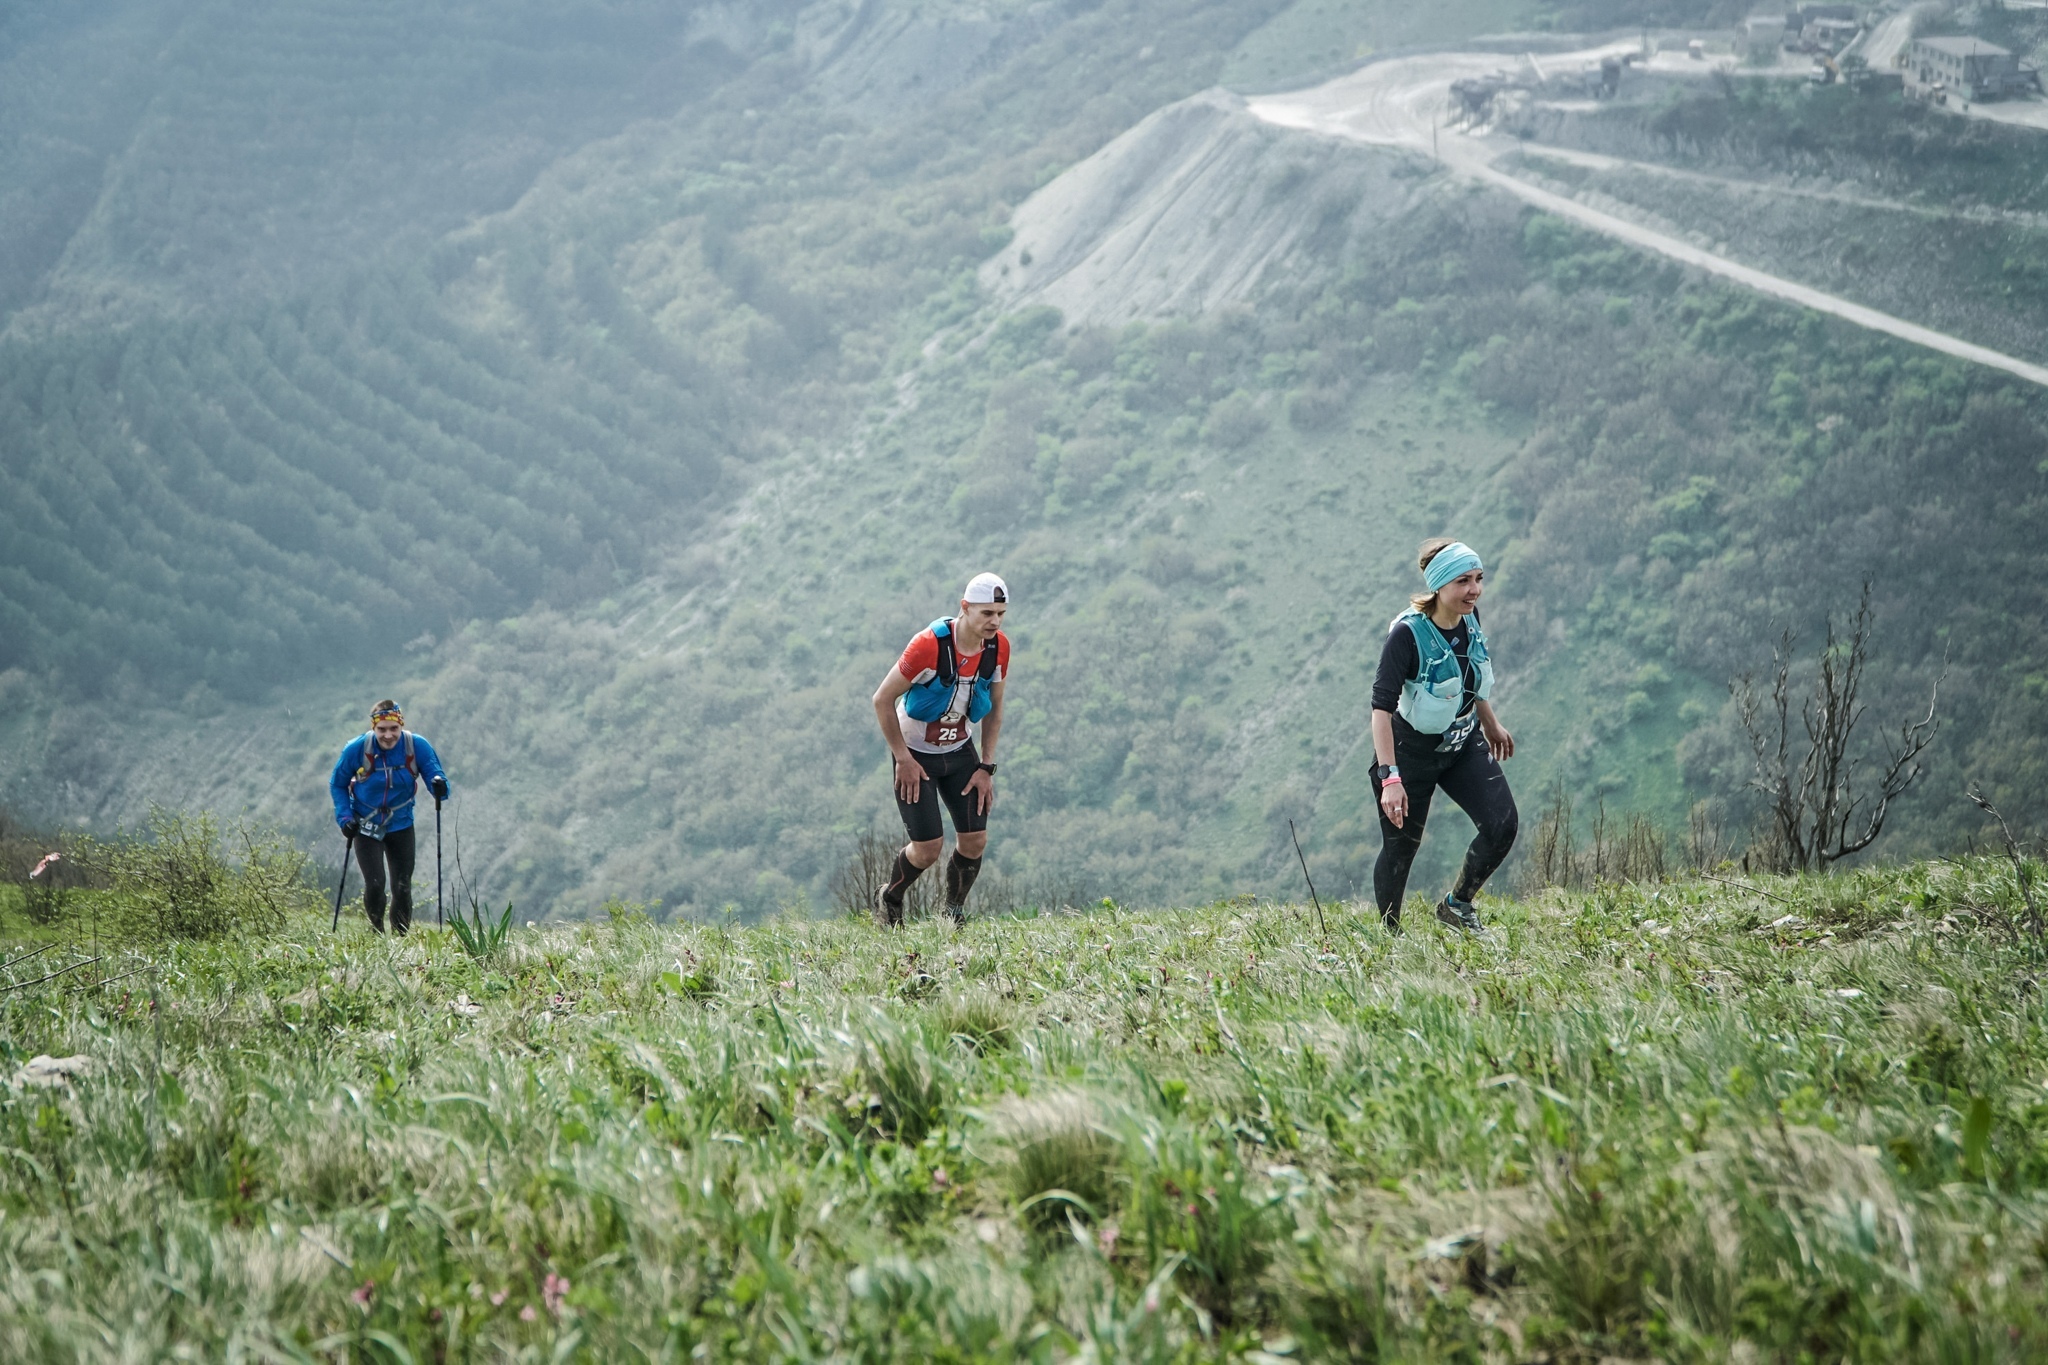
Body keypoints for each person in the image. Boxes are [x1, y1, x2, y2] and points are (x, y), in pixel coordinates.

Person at [1367, 539, 1518, 934]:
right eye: (1463, 581)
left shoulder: (1470, 618)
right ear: (1438, 586)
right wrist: (1390, 778)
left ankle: (1457, 906)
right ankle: (1390, 935)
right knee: (1401, 848)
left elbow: (1469, 674)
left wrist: (1489, 720)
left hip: (1461, 743)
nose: (1475, 590)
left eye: (1479, 579)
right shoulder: (1407, 636)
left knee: (1502, 825)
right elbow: (1380, 708)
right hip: (1410, 753)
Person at [870, 573, 1011, 926]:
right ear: (965, 608)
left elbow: (994, 709)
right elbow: (882, 700)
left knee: (975, 840)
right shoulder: (928, 645)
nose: (994, 621)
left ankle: (952, 913)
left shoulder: (998, 649)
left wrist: (986, 766)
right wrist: (902, 757)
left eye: (1000, 613)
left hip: (961, 751)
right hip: (915, 754)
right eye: (987, 613)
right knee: (928, 849)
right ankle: (890, 898)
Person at [328, 700, 450, 935]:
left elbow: (437, 777)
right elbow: (337, 783)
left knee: (402, 887)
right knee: (375, 885)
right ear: (373, 728)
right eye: (381, 729)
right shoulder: (356, 749)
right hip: (364, 825)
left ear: (401, 726)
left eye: (393, 729)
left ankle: (401, 939)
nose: (388, 735)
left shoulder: (416, 746)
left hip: (401, 825)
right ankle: (377, 935)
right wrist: (344, 818)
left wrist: (439, 787)